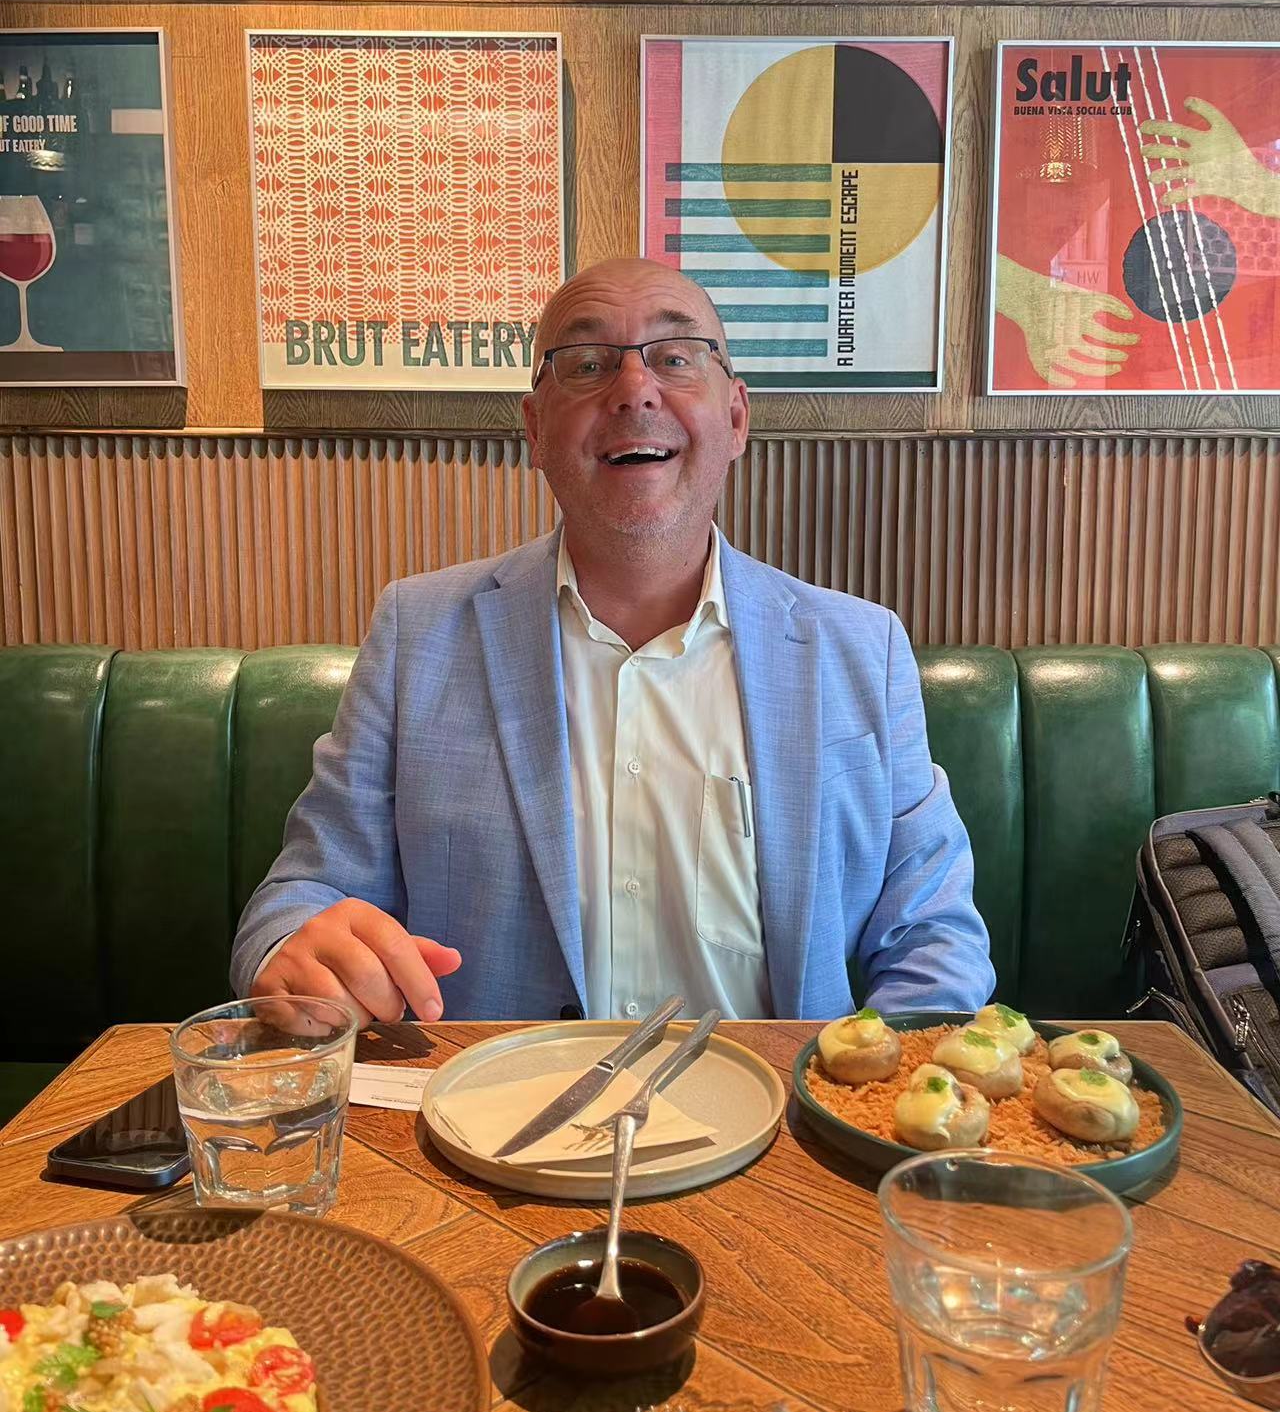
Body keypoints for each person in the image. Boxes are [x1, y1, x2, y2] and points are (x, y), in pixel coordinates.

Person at [232, 257, 994, 1025]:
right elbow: (305, 892)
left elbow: (935, 933)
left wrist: (866, 1098)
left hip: (775, 1134)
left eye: (675, 357)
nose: (634, 390)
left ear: (735, 418)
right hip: (491, 1129)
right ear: (534, 429)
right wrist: (294, 947)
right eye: (588, 364)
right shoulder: (416, 633)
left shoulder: (861, 650)